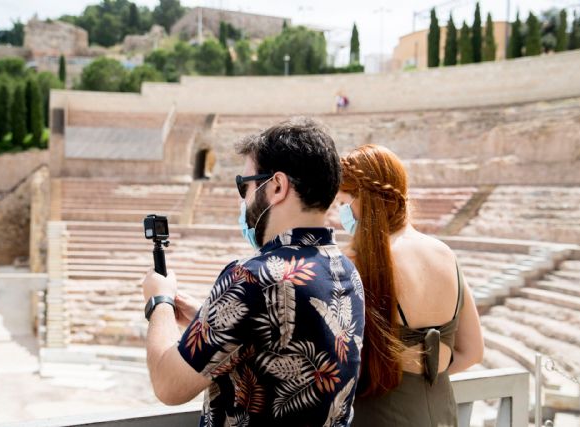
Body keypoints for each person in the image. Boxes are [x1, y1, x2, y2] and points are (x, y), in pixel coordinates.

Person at [141, 118, 365, 426]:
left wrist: (160, 302)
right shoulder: (346, 270)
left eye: (244, 186)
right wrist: (206, 320)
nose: (244, 200)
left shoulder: (252, 278)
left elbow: (168, 384)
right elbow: (279, 340)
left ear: (276, 186)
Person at [335, 144, 484, 426]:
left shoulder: (354, 262)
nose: (341, 213)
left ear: (363, 199)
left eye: (343, 202)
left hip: (378, 415)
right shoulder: (445, 254)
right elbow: (473, 352)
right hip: (441, 412)